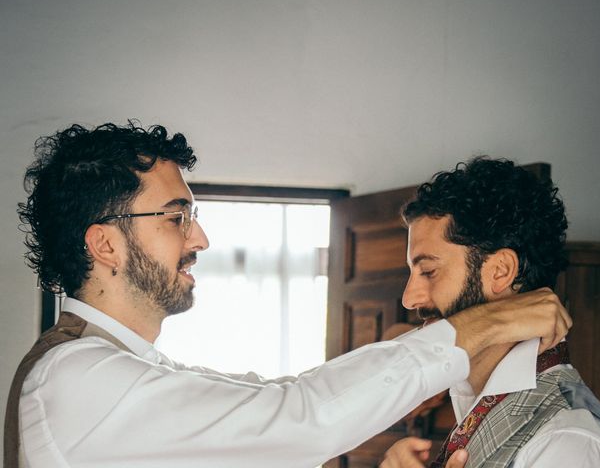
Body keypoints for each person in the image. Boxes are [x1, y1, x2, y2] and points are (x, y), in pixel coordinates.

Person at [5, 124, 571, 468]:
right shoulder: (79, 379)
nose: (200, 237)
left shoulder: (128, 373)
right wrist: (484, 326)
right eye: (178, 217)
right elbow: (296, 416)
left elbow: (273, 402)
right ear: (104, 243)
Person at [380, 157, 600, 468]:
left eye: (429, 271)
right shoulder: (473, 404)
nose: (409, 299)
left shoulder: (568, 443)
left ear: (500, 271)